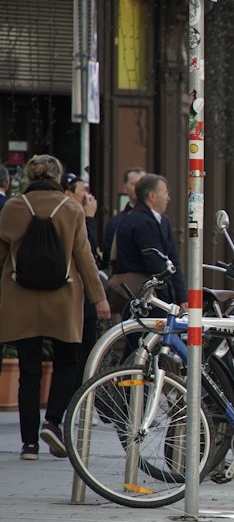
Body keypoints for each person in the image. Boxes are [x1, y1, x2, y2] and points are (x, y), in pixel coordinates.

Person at [0, 154, 111, 460]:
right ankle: (52, 422)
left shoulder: (13, 207)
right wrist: (98, 298)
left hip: (21, 297)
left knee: (28, 371)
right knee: (66, 362)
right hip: (63, 297)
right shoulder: (72, 209)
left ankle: (29, 445)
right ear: (58, 177)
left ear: (29, 176)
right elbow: (84, 257)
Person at [110, 173, 188, 320]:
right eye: (165, 193)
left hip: (152, 296)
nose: (168, 198)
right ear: (152, 196)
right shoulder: (140, 222)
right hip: (144, 297)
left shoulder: (162, 220)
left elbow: (173, 258)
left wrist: (181, 296)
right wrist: (168, 299)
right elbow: (156, 263)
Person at [62, 172, 102, 389]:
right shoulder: (72, 216)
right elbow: (88, 250)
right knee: (79, 354)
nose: (87, 198)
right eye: (82, 193)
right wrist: (89, 217)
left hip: (76, 297)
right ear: (69, 194)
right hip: (76, 296)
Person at [101, 166, 145, 271]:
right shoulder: (116, 222)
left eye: (143, 184)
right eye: (134, 184)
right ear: (125, 188)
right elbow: (108, 259)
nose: (139, 188)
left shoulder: (160, 218)